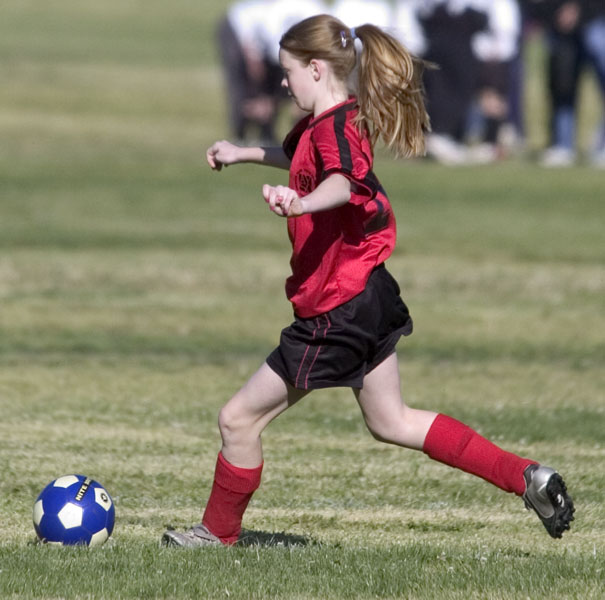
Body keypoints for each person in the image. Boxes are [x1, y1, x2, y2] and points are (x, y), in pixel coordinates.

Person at [163, 14, 574, 548]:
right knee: (392, 421)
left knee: (237, 420)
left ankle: (216, 535)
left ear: (316, 68)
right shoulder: (329, 120)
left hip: (335, 309)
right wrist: (242, 152)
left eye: (288, 72)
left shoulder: (336, 130)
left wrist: (300, 204)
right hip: (368, 293)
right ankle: (526, 476)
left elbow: (342, 182)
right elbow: (303, 161)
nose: (283, 82)